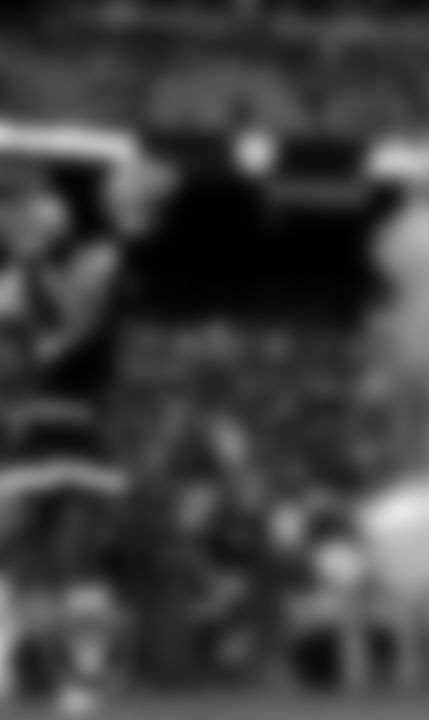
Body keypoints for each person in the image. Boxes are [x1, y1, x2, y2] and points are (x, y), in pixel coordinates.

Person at [0, 159, 172, 715]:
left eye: (35, 222)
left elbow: (80, 325)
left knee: (78, 560)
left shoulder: (90, 268)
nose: (23, 229)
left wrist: (132, 215)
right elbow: (25, 349)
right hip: (27, 432)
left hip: (79, 430)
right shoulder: (14, 285)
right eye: (18, 222)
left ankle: (86, 682)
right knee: (8, 552)